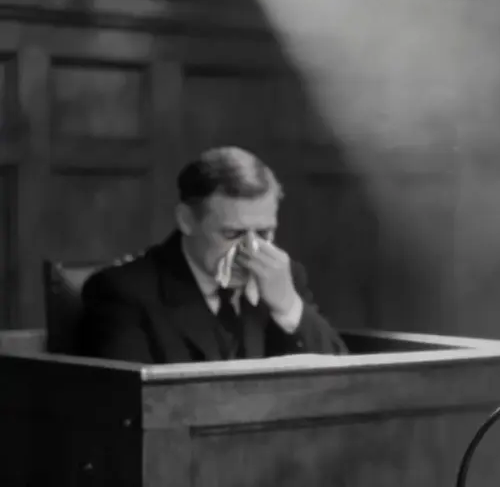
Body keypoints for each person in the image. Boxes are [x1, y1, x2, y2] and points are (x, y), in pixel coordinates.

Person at [76, 147, 348, 363]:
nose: (250, 251)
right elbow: (133, 402)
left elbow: (342, 384)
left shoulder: (284, 278)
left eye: (264, 233)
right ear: (187, 220)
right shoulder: (123, 292)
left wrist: (288, 307)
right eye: (232, 234)